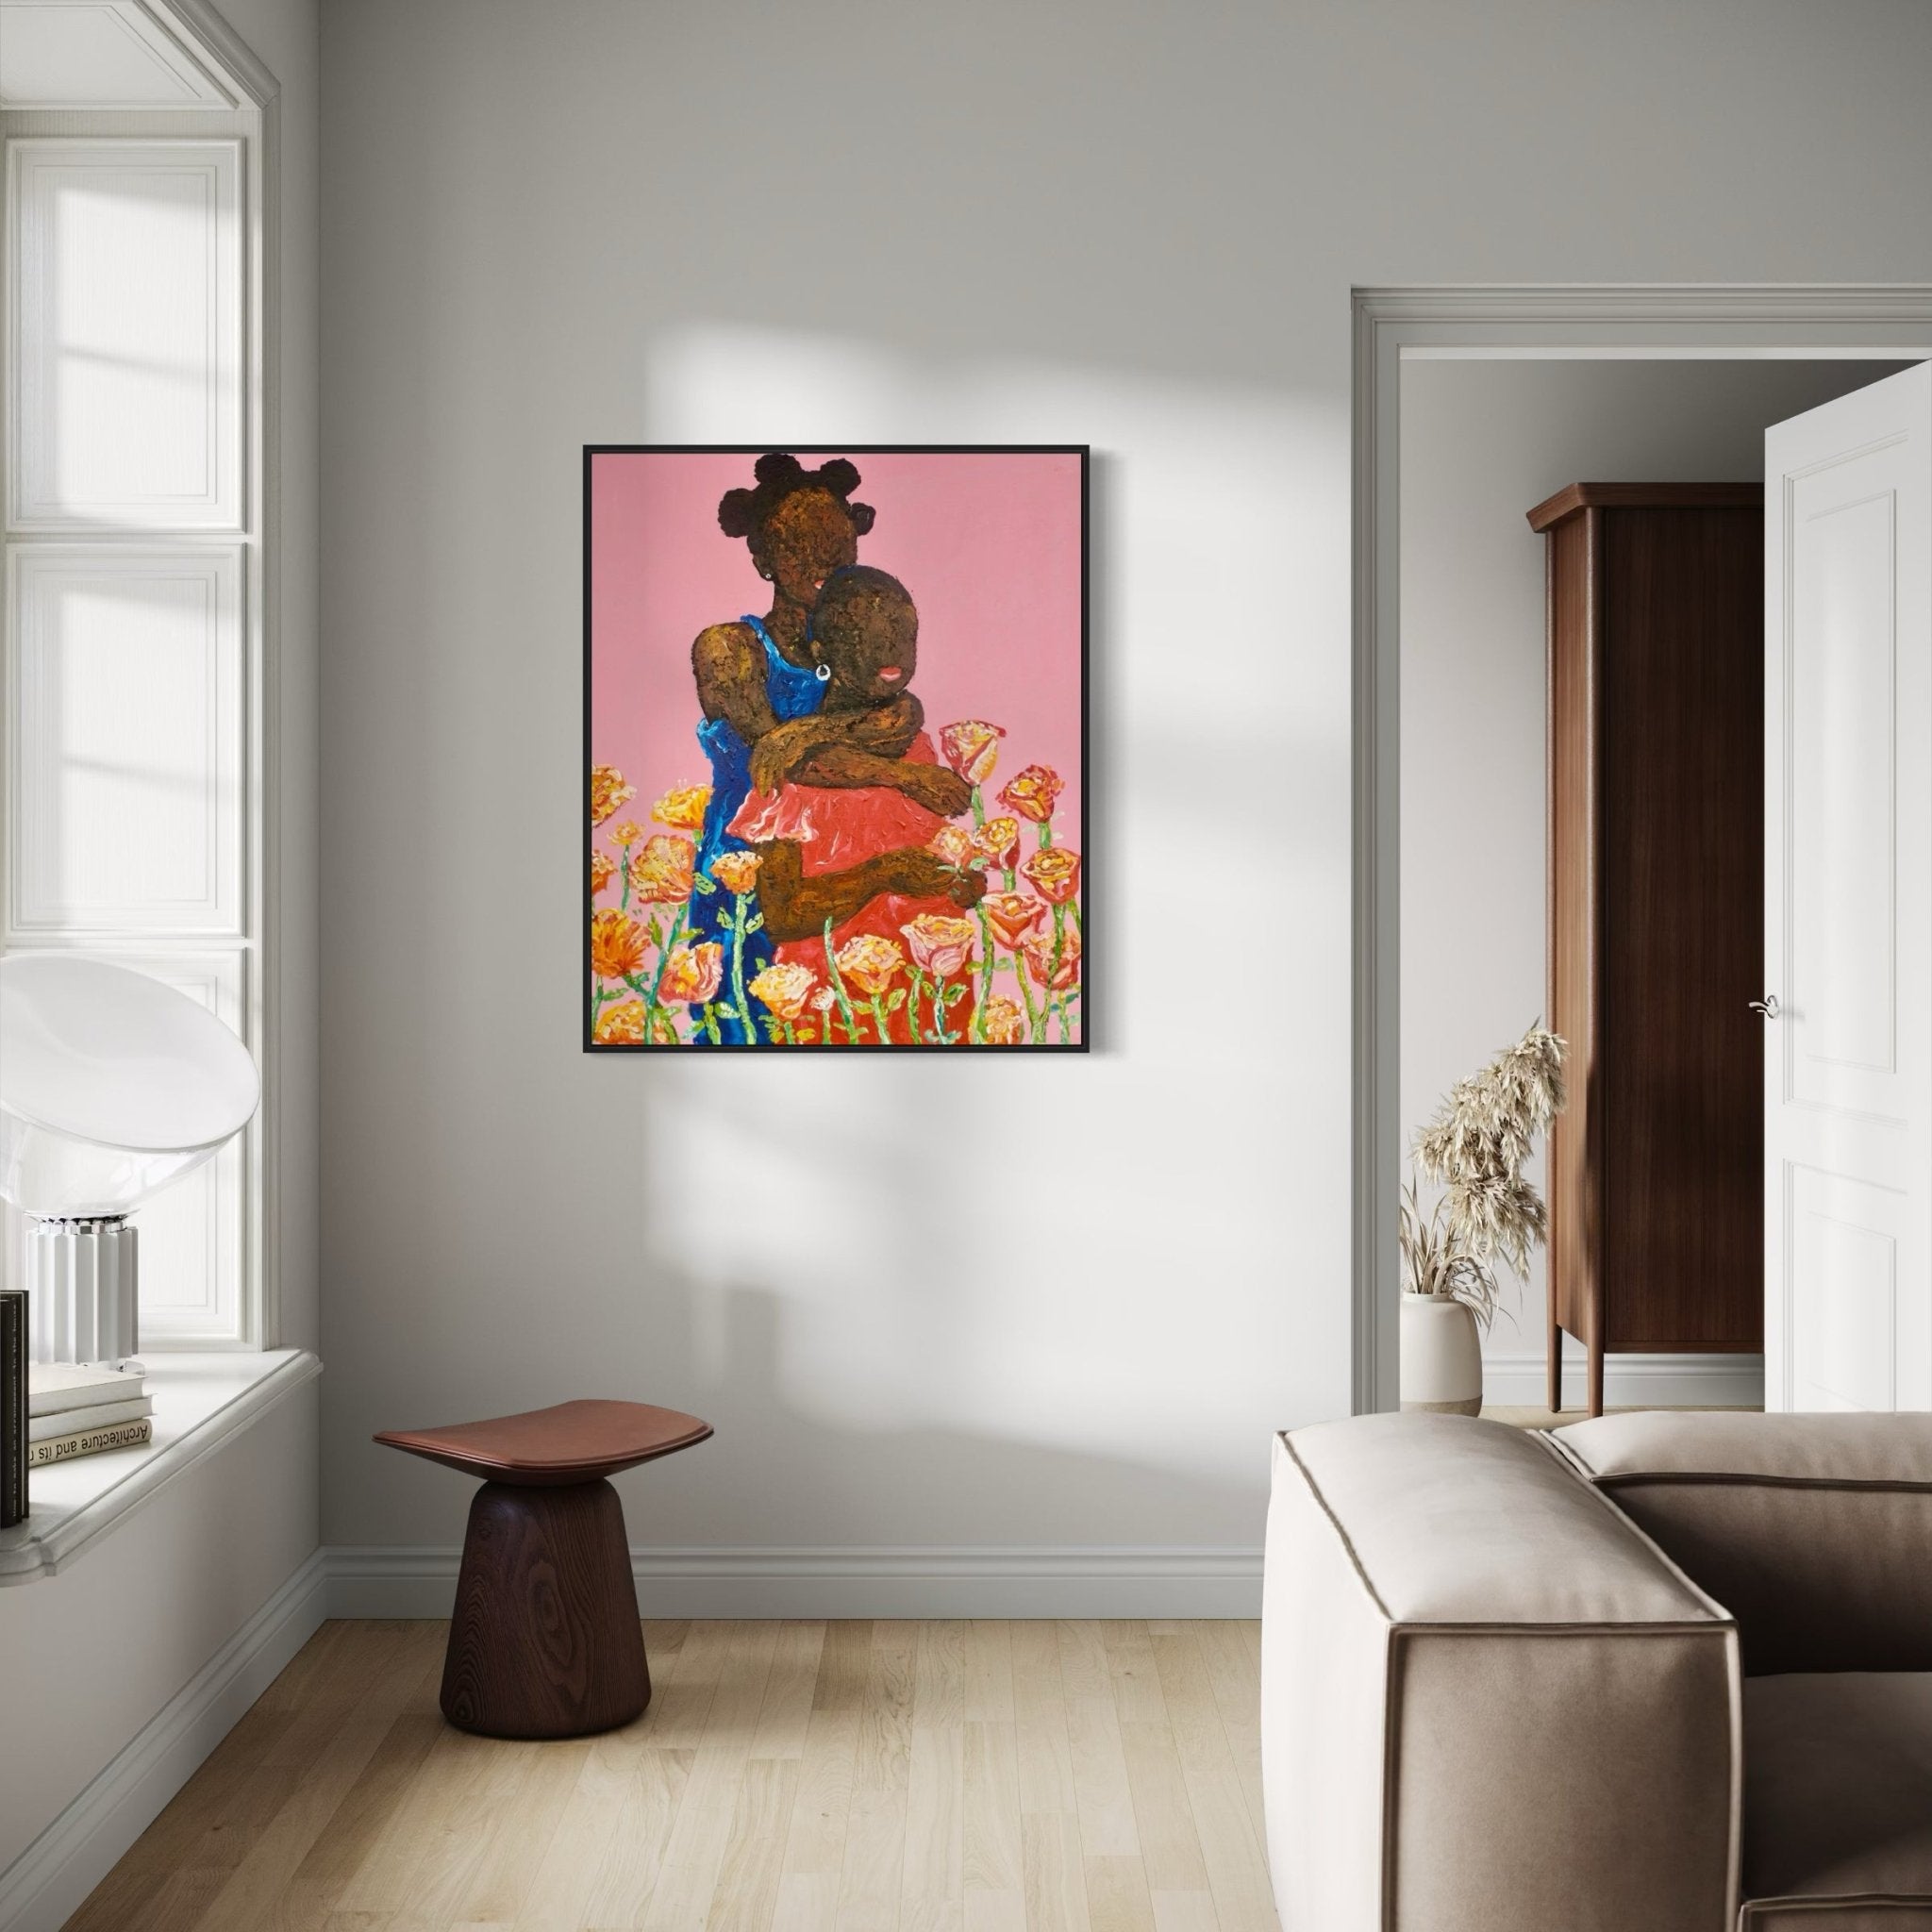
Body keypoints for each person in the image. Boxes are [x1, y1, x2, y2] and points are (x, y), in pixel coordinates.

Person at [686, 453, 968, 1042]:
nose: (823, 560)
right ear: (762, 558)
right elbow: (785, 766)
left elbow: (901, 714)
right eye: (799, 544)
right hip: (750, 864)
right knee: (750, 1019)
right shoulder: (730, 648)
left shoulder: (857, 643)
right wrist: (902, 777)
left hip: (843, 864)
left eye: (837, 543)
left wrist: (806, 728)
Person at [732, 567, 986, 1044]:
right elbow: (783, 916)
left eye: (902, 634)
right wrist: (881, 875)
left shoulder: (919, 749)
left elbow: (927, 857)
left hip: (925, 986)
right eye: (864, 635)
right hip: (834, 994)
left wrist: (958, 885)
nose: (889, 650)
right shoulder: (797, 769)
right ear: (822, 653)